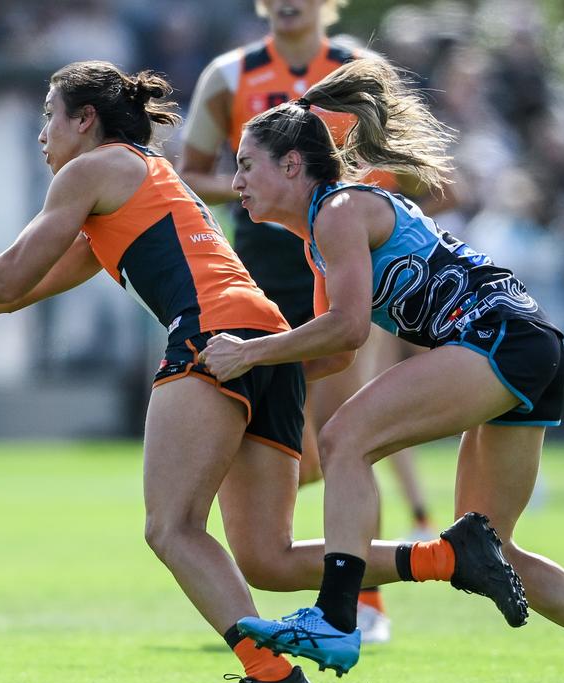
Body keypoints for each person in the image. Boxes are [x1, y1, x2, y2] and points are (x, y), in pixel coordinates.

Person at [0, 59, 527, 683]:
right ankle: (446, 557)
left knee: (170, 526)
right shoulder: (134, 179)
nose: (42, 135)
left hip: (216, 336)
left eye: (50, 118)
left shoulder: (94, 169)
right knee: (266, 560)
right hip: (262, 341)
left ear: (85, 121)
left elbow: (5, 275)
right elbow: (13, 295)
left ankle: (268, 674)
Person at [199, 57, 564, 683]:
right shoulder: (326, 237)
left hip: (497, 340)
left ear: (291, 166)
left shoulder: (338, 210)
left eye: (246, 165)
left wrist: (250, 352)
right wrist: (245, 388)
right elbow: (335, 346)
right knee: (488, 545)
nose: (235, 184)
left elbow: (342, 326)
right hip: (525, 343)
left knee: (346, 438)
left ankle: (338, 616)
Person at [178, 0, 434, 643]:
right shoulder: (229, 76)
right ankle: (322, 570)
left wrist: (338, 201)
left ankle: (362, 600)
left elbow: (401, 165)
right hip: (261, 271)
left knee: (349, 436)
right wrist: (259, 186)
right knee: (299, 451)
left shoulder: (356, 68)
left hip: (342, 266)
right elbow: (190, 174)